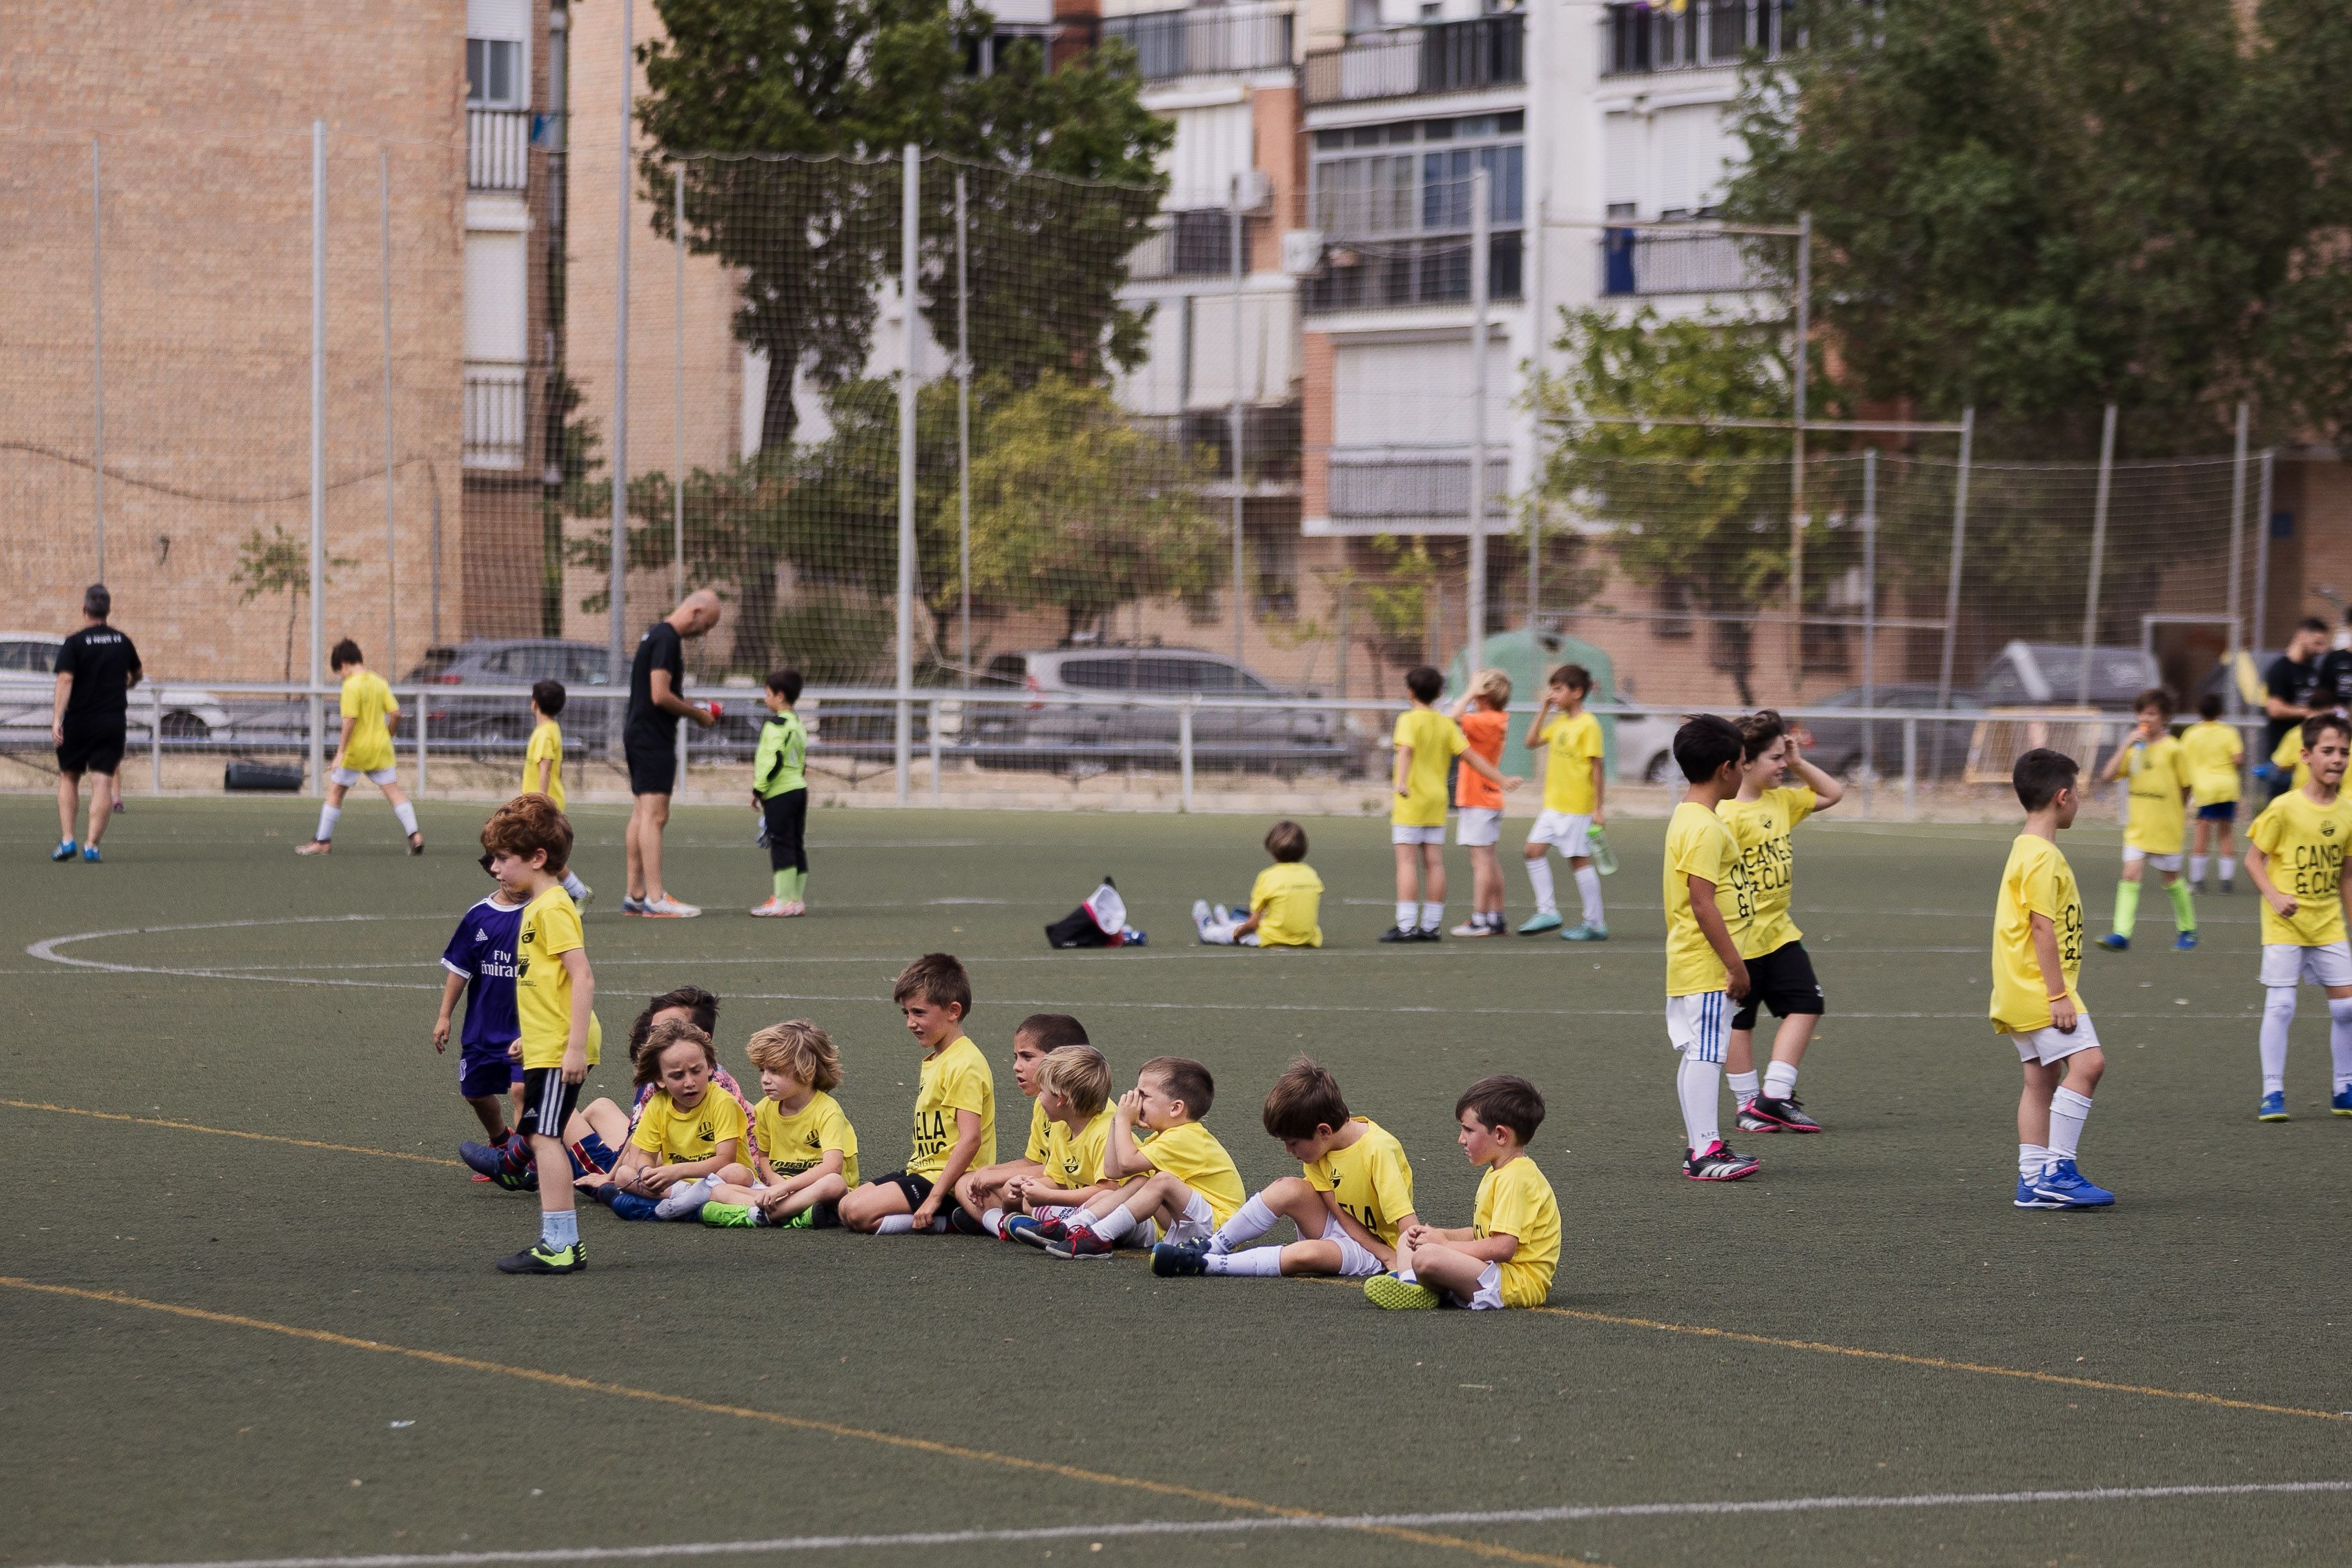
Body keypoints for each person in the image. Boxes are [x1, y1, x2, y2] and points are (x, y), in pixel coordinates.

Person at [1152, 1057, 1416, 1281]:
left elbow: (1408, 1226)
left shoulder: (1378, 1150)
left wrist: (1395, 1263)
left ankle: (1204, 1265)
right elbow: (1337, 1209)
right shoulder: (1321, 1148)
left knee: (1306, 1254)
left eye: (1292, 1143)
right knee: (1286, 1188)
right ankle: (1212, 1246)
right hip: (1345, 1227)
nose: (1289, 1151)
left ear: (1323, 1131)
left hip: (1378, 1250)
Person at [483, 794, 604, 1273]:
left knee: (544, 1137)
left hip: (561, 1050)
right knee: (539, 1134)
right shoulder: (538, 906)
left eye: (503, 858)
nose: (495, 868)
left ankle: (561, 1245)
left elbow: (583, 976)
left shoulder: (553, 907)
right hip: (546, 1045)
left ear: (537, 858)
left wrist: (572, 1046)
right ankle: (559, 1242)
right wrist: (529, 1039)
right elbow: (547, 986)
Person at [1992, 747, 2113, 1209]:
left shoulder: (2025, 848)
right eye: (2078, 793)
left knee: (2040, 1080)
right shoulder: (2041, 856)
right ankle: (2058, 1170)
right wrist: (2059, 994)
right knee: (2089, 1064)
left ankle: (2031, 1180)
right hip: (2040, 990)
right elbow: (2042, 926)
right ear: (2063, 797)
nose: (2080, 801)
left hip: (2017, 991)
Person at [1720, 710, 1844, 1135]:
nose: (1781, 765)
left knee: (1808, 1004)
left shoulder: (1781, 801)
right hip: (1737, 939)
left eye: (1783, 757)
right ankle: (1747, 1105)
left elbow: (1833, 793)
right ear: (1745, 761)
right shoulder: (1723, 815)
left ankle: (1775, 1093)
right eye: (1774, 757)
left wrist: (1796, 761)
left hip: (1780, 934)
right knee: (1741, 1021)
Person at [1363, 1075, 1559, 1312]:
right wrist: (1439, 1234)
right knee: (1409, 1238)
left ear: (1500, 1135)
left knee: (1428, 1257)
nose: (1461, 1139)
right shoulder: (1500, 1171)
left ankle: (1420, 1284)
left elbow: (1503, 1248)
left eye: (1468, 1130)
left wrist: (1445, 1244)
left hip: (1514, 1284)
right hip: (1492, 1272)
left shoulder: (1516, 1178)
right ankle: (1412, 1285)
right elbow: (1484, 1234)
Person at [1663, 716, 1761, 1181]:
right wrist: (1735, 966)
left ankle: (1701, 1143)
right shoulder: (1702, 827)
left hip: (1695, 963)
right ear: (1726, 768)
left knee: (1700, 1053)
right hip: (1706, 965)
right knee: (1706, 1054)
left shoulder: (1693, 816)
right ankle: (1705, 1151)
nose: (1744, 770)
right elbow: (1702, 904)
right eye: (1743, 763)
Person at [2242, 714, 2352, 1122]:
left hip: (2328, 924)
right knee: (2283, 1004)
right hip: (2284, 923)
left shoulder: (2348, 812)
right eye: (2328, 751)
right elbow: (2254, 860)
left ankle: (2344, 1087)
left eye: (2344, 751)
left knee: (2346, 1009)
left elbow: (2347, 877)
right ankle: (2273, 1091)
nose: (2337, 759)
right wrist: (2274, 895)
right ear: (2306, 756)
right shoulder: (2284, 808)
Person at [1026, 1057, 1245, 1260]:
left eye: (1144, 1096)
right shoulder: (1163, 1138)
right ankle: (1074, 1226)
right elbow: (1113, 1171)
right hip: (1187, 1223)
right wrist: (1116, 1121)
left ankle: (1096, 1238)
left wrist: (1123, 1121)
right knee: (1140, 1180)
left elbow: (1127, 1163)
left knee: (1162, 1181)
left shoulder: (1186, 1137)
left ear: (1176, 1108)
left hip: (1218, 1228)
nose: (1136, 1102)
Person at [838, 953, 996, 1235]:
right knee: (846, 1206)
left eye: (919, 1013)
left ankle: (950, 1219)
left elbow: (971, 1139)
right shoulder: (939, 1057)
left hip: (947, 1181)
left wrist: (935, 1197)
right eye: (906, 1013)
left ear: (953, 1011)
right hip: (922, 1171)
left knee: (859, 1214)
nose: (911, 1022)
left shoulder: (965, 1063)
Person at [1386, 665, 1509, 943]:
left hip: (1411, 802)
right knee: (1435, 864)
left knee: (1406, 863)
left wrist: (1402, 782)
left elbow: (1405, 750)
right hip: (1438, 803)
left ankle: (1406, 926)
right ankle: (1431, 926)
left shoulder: (1408, 719)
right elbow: (1473, 758)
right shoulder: (1444, 723)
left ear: (1410, 692)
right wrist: (1501, 778)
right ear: (1440, 692)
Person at [622, 589, 723, 917]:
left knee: (641, 814)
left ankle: (636, 894)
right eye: (706, 625)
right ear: (695, 611)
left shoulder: (654, 633)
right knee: (655, 816)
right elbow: (660, 695)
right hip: (652, 737)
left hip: (639, 732)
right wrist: (698, 714)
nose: (704, 634)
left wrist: (691, 706)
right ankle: (655, 897)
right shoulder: (667, 639)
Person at [700, 1021, 860, 1228]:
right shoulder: (765, 1109)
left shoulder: (828, 1110)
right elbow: (764, 1156)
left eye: (775, 1071)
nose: (765, 1079)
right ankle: (794, 1215)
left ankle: (762, 1215)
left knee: (833, 1183)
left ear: (807, 1070)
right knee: (719, 1189)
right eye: (762, 1071)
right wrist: (778, 1185)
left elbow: (832, 1167)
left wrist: (785, 1189)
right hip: (780, 1190)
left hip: (820, 1191)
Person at [582, 1019, 747, 1221]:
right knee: (625, 1174)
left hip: (720, 1181)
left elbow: (725, 1159)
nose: (690, 1082)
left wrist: (675, 1171)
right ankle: (690, 1203)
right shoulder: (657, 1104)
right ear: (660, 1079)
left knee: (736, 1172)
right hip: (677, 1186)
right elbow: (645, 1155)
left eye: (696, 1071)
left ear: (710, 1067)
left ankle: (677, 1207)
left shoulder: (722, 1101)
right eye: (677, 1076)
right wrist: (646, 1171)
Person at [952, 1012, 1089, 1233]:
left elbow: (1063, 1173)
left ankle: (998, 1223)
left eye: (1027, 1057)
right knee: (967, 1181)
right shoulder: (1043, 1104)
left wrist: (998, 1177)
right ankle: (1006, 1226)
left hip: (1076, 1191)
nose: (1017, 1066)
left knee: (1010, 1188)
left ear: (1060, 1061)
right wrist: (987, 1172)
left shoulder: (1075, 1109)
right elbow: (1032, 1161)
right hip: (1053, 1184)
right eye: (1016, 1056)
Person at [296, 639, 422, 857]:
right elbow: (396, 714)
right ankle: (415, 835)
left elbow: (350, 721)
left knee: (336, 792)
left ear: (344, 664)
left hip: (356, 751)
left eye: (339, 672)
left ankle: (322, 842)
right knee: (394, 792)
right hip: (380, 749)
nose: (341, 676)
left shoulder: (351, 686)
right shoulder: (379, 681)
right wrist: (387, 734)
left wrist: (340, 753)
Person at [2095, 688, 2196, 952]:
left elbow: (2187, 786)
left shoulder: (2174, 749)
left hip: (2166, 828)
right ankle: (2121, 933)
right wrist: (2126, 744)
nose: (2145, 718)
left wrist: (2177, 810)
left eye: (2152, 713)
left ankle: (2188, 929)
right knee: (2130, 874)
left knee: (2172, 880)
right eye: (2142, 713)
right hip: (2138, 828)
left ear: (2164, 718)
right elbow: (2107, 775)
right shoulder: (2134, 749)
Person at [433, 874, 527, 1152]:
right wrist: (444, 1016)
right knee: (475, 1094)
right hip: (483, 1028)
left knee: (522, 1091)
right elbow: (460, 969)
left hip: (525, 1028)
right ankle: (500, 1142)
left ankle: (523, 1160)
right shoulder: (479, 916)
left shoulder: (539, 912)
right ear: (499, 874)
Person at [50, 583, 140, 863]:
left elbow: (65, 679)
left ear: (84, 610)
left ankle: (67, 841)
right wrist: (127, 684)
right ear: (108, 610)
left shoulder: (75, 642)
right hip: (111, 721)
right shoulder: (123, 641)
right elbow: (137, 674)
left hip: (79, 720)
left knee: (69, 776)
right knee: (103, 781)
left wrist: (56, 719)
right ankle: (92, 846)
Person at [1518, 663, 1609, 941]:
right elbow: (1531, 742)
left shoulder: (1588, 724)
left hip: (1575, 807)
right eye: (1552, 690)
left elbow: (1597, 767)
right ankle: (1547, 912)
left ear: (1577, 692)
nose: (1553, 695)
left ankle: (1595, 923)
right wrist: (1544, 708)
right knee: (1532, 851)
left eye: (1558, 690)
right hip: (1553, 807)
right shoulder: (1559, 723)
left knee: (1578, 861)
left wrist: (1597, 808)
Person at [987, 1046, 1116, 1237]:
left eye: (1043, 1091)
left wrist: (1050, 1196)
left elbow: (1110, 1191)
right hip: (1082, 1209)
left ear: (1060, 1099)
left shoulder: (1104, 1133)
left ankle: (1062, 1227)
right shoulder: (1063, 1127)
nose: (1039, 1097)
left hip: (1126, 1217)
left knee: (1103, 1200)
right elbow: (1058, 1181)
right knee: (1027, 1200)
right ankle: (1063, 1226)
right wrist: (1029, 1186)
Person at [1449, 670, 1514, 936]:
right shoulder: (1495, 719)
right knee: (1489, 860)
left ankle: (1480, 919)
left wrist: (1471, 690)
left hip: (1479, 798)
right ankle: (1496, 917)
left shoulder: (1486, 720)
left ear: (1484, 696)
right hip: (1488, 797)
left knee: (1481, 862)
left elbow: (1452, 717)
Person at [1193, 820, 1324, 948]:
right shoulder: (1312, 874)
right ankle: (1230, 923)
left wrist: (1236, 934)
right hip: (1307, 938)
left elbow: (1252, 925)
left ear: (1272, 849)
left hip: (1271, 937)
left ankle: (1210, 930)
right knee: (1266, 915)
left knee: (1231, 932)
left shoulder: (1268, 876)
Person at [522, 679, 591, 905]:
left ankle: (577, 892)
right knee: (537, 852)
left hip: (542, 805)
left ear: (534, 704)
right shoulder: (553, 729)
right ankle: (562, 892)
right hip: (544, 802)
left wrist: (540, 799)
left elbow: (546, 766)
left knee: (539, 853)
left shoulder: (543, 734)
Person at [749, 668, 810, 918]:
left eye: (767, 694)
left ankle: (782, 901)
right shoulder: (797, 724)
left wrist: (759, 790)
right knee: (796, 844)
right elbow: (802, 761)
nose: (766, 699)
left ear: (780, 696)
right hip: (799, 789)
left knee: (781, 844)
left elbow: (773, 760)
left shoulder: (776, 726)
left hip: (780, 792)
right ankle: (795, 899)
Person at [2257, 618, 2331, 804]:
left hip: (2306, 758)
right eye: (2316, 643)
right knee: (2281, 814)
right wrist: (2309, 712)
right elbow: (2274, 709)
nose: (2320, 649)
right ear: (2300, 636)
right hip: (2284, 761)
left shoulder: (2312, 671)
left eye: (2322, 644)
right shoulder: (2280, 669)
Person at [2179, 692, 2245, 894]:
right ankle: (2226, 881)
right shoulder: (2229, 732)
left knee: (2202, 833)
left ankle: (2198, 882)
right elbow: (2238, 759)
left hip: (2204, 788)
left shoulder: (2191, 734)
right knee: (2226, 833)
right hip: (2227, 787)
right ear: (2220, 711)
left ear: (2199, 711)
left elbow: (2181, 761)